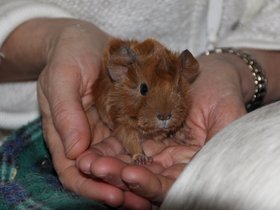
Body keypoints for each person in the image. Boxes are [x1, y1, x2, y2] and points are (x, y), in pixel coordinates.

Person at [0, 0, 280, 209]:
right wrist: (56, 37)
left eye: (174, 89)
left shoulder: (181, 86)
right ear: (120, 72)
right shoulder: (117, 95)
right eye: (144, 90)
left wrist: (234, 65)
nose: (164, 110)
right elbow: (126, 130)